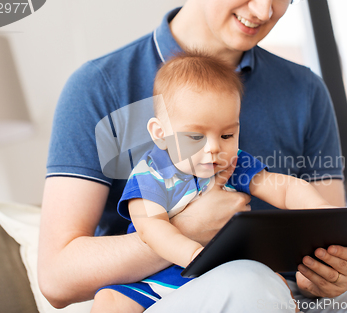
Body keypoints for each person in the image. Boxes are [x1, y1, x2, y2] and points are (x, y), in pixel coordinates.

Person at [39, 0, 347, 312]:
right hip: (176, 294)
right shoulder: (98, 88)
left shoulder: (303, 91)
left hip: (294, 300)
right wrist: (196, 235)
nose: (264, 10)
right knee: (247, 280)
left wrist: (330, 265)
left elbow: (311, 212)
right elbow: (57, 279)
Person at [92, 51, 334, 312]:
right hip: (154, 282)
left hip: (228, 270)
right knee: (109, 301)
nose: (213, 148)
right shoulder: (151, 174)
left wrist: (325, 213)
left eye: (227, 135)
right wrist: (196, 256)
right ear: (160, 134)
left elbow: (286, 189)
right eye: (196, 136)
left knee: (276, 287)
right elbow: (151, 229)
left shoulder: (234, 164)